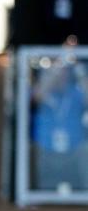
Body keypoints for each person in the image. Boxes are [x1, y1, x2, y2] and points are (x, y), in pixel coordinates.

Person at [29, 59, 88, 191]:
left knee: (78, 195)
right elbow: (36, 98)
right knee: (45, 195)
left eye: (65, 71)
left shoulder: (75, 93)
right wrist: (52, 73)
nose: (62, 75)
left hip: (74, 152)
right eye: (59, 72)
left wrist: (80, 72)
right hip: (46, 152)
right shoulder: (44, 91)